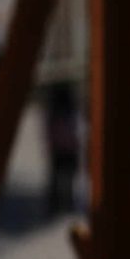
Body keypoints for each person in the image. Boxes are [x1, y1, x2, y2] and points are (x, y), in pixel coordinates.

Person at [43, 79, 82, 217]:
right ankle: (61, 202)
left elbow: (74, 128)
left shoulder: (61, 111)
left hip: (62, 148)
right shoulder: (66, 111)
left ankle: (61, 202)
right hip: (65, 148)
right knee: (62, 177)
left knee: (61, 177)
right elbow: (75, 128)